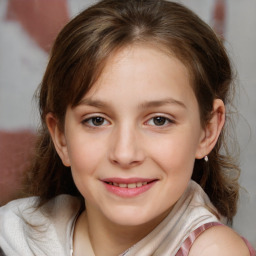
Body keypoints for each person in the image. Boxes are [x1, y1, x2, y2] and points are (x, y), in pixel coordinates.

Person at [0, 0, 255, 255]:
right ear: (61, 137)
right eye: (96, 120)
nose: (124, 154)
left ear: (207, 131)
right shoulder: (13, 233)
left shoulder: (213, 250)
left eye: (159, 120)